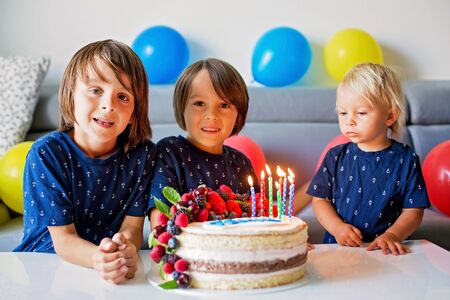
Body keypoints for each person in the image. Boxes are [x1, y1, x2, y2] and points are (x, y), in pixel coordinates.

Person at [14, 39, 156, 284]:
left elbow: (132, 227)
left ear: (134, 113)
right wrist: (100, 259)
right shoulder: (47, 154)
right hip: (44, 270)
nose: (107, 105)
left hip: (104, 270)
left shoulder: (142, 156)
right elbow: (64, 240)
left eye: (122, 96)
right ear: (71, 95)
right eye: (95, 90)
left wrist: (125, 249)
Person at [307, 63, 430, 255]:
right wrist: (337, 227)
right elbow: (320, 200)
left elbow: (413, 210)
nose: (349, 121)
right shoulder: (335, 156)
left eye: (361, 113)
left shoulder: (406, 159)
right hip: (340, 250)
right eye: (343, 113)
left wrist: (393, 235)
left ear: (389, 116)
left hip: (385, 253)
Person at [148, 58, 258, 226]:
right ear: (181, 108)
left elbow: (259, 222)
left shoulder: (241, 163)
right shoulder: (169, 153)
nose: (212, 115)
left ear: (238, 114)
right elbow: (161, 224)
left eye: (224, 105)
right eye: (199, 103)